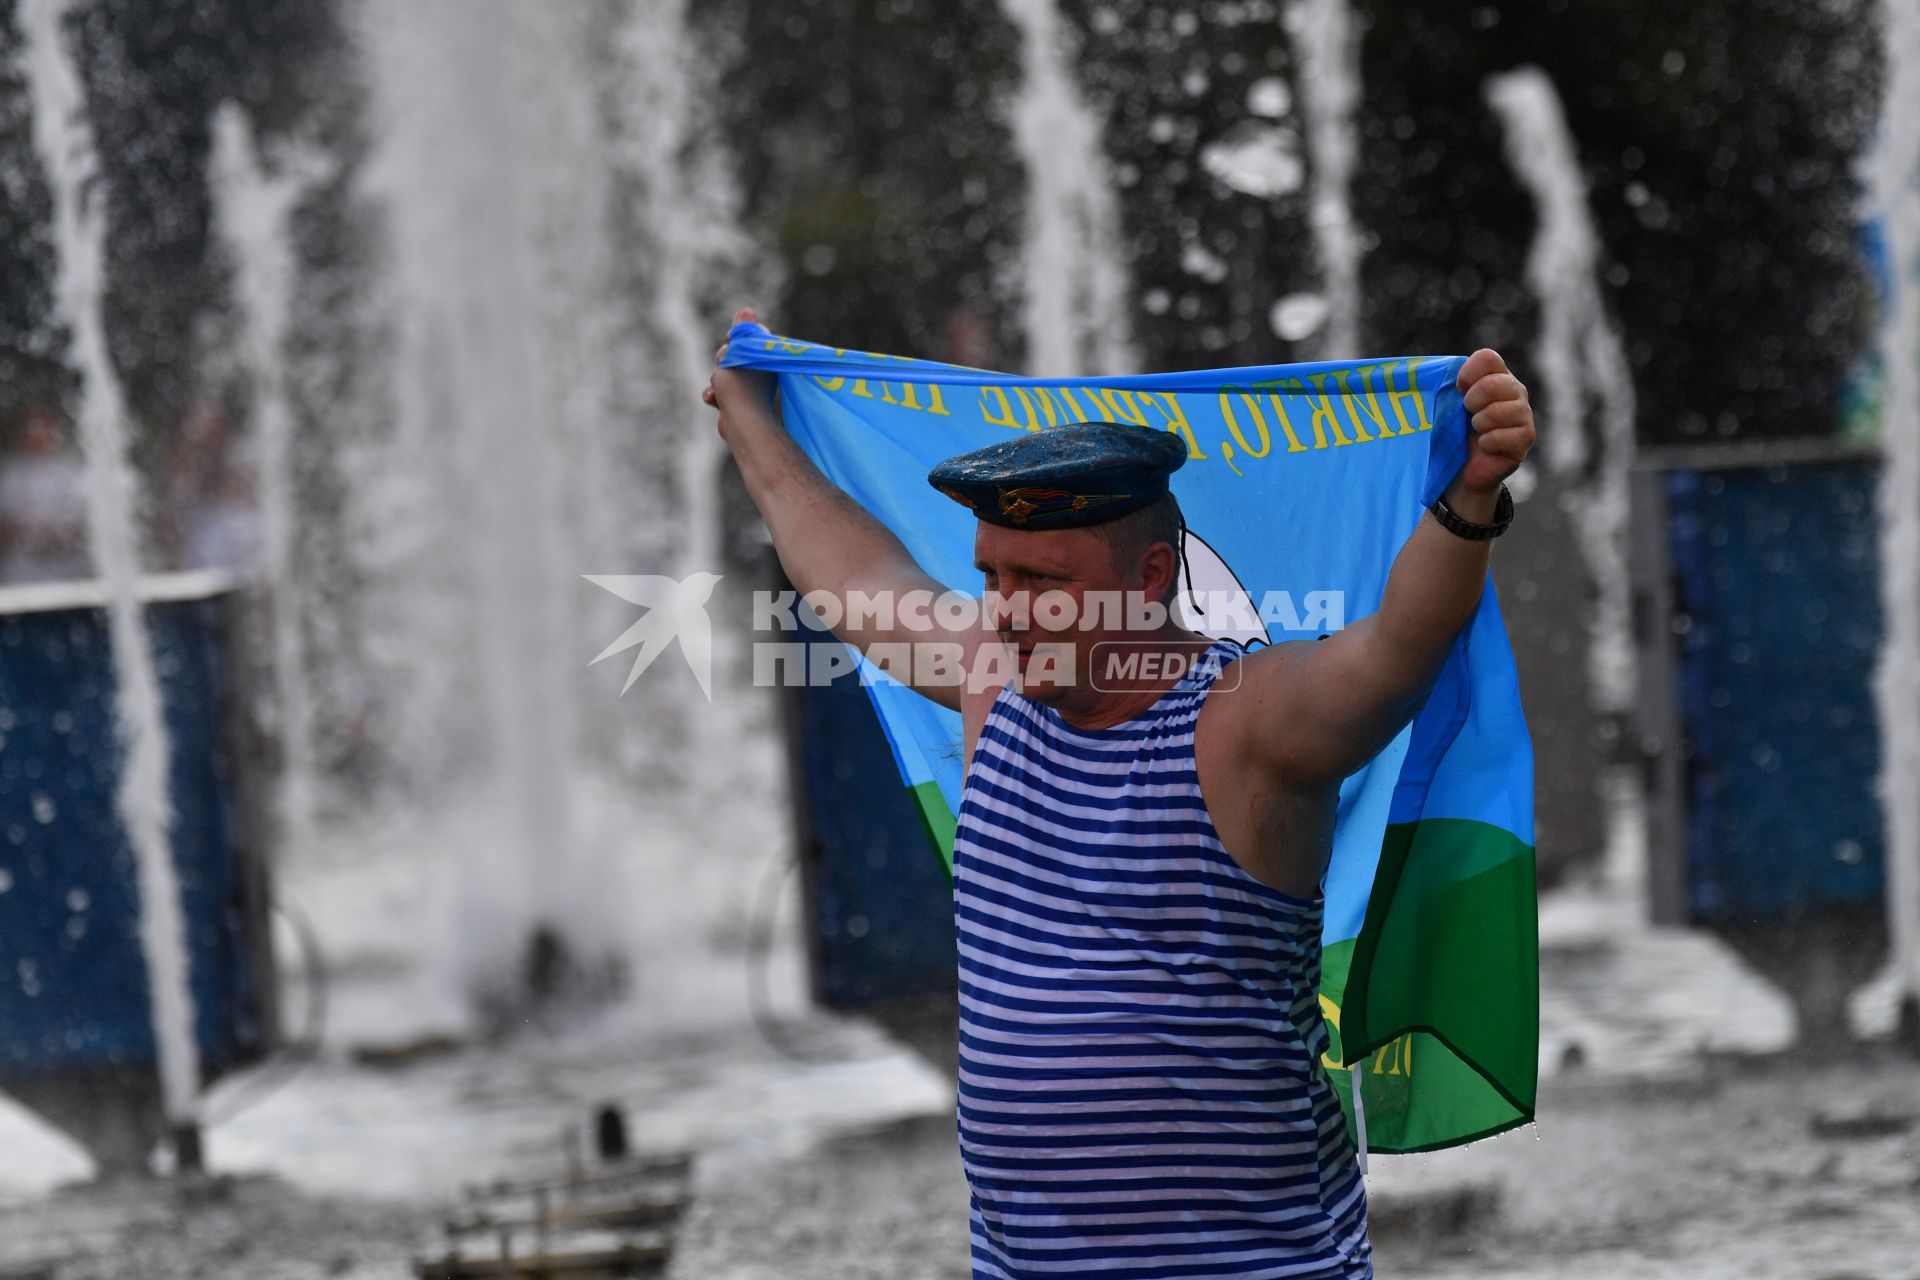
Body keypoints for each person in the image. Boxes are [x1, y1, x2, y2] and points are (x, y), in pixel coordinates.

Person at [704, 306, 1535, 1279]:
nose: (1008, 611)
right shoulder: (991, 685)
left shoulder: (1245, 722)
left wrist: (1472, 494)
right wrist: (751, 411)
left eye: (1044, 582)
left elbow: (1398, 649)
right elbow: (850, 572)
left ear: (1149, 576)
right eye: (994, 577)